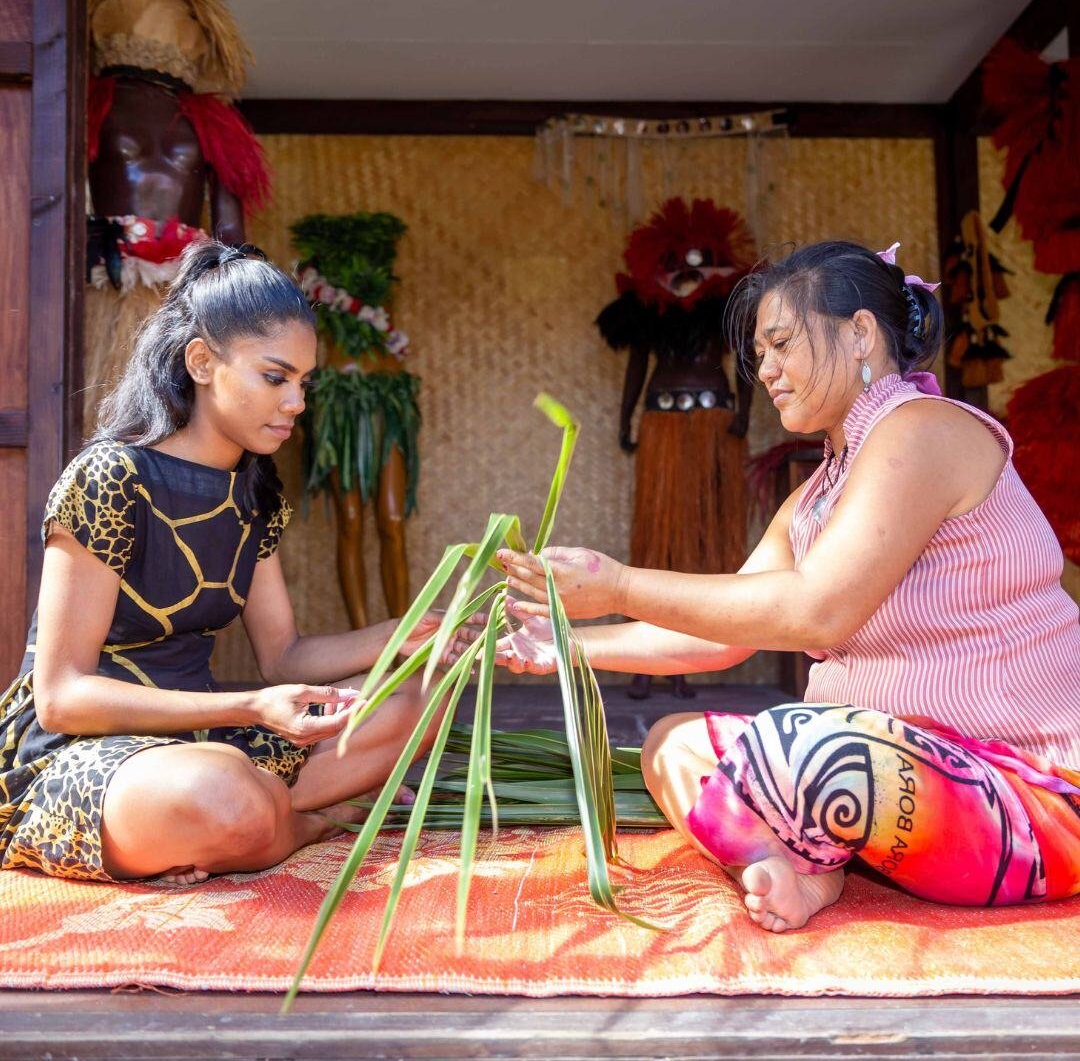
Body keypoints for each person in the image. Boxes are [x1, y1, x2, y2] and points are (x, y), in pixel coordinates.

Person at [495, 239, 1080, 932]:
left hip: (1032, 803)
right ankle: (790, 871)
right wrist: (564, 645)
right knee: (673, 744)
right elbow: (715, 640)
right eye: (760, 353)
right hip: (889, 786)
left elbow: (816, 613)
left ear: (860, 332)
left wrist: (619, 585)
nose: (765, 371)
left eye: (779, 344)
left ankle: (811, 848)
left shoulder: (923, 431)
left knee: (813, 749)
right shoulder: (816, 496)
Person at [0, 242, 468, 886]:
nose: (296, 402)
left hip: (213, 736)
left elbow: (285, 658)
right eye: (275, 378)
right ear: (200, 361)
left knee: (421, 688)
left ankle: (257, 823)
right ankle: (313, 818)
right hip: (87, 753)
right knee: (220, 794)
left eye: (304, 383)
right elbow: (61, 699)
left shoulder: (254, 491)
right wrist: (252, 708)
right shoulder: (110, 478)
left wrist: (402, 636)